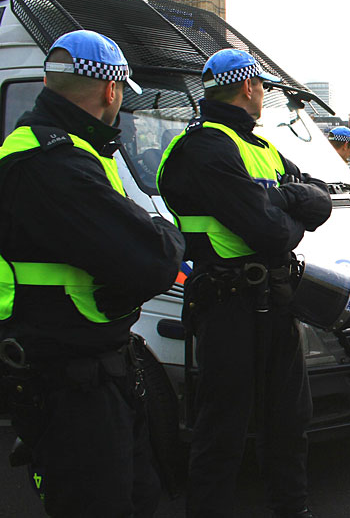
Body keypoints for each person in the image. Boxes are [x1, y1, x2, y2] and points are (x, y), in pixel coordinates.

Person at [0, 30, 184, 516]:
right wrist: (165, 231)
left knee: (138, 494)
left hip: (93, 370)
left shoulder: (71, 151)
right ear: (110, 90)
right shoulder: (49, 160)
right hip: (70, 384)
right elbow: (153, 259)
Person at [157, 48, 332, 517]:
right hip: (227, 304)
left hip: (276, 300)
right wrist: (289, 212)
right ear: (248, 86)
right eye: (261, 87)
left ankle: (291, 509)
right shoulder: (204, 147)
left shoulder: (262, 147)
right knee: (222, 432)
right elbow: (271, 233)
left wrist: (283, 199)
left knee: (289, 423)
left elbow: (320, 200)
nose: (262, 94)